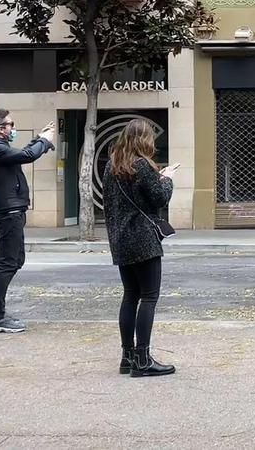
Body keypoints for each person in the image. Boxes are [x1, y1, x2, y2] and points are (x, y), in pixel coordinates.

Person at [102, 119, 177, 377]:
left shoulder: (111, 166)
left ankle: (127, 357)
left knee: (130, 296)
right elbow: (160, 197)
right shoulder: (142, 164)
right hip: (143, 239)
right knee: (149, 297)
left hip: (120, 239)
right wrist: (167, 178)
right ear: (143, 139)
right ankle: (143, 360)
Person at [0, 109, 56, 334]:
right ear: (1, 129)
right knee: (7, 263)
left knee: (14, 260)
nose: (13, 127)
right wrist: (44, 140)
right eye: (10, 124)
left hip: (11, 211)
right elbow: (26, 156)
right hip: (8, 212)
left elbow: (21, 153)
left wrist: (39, 139)